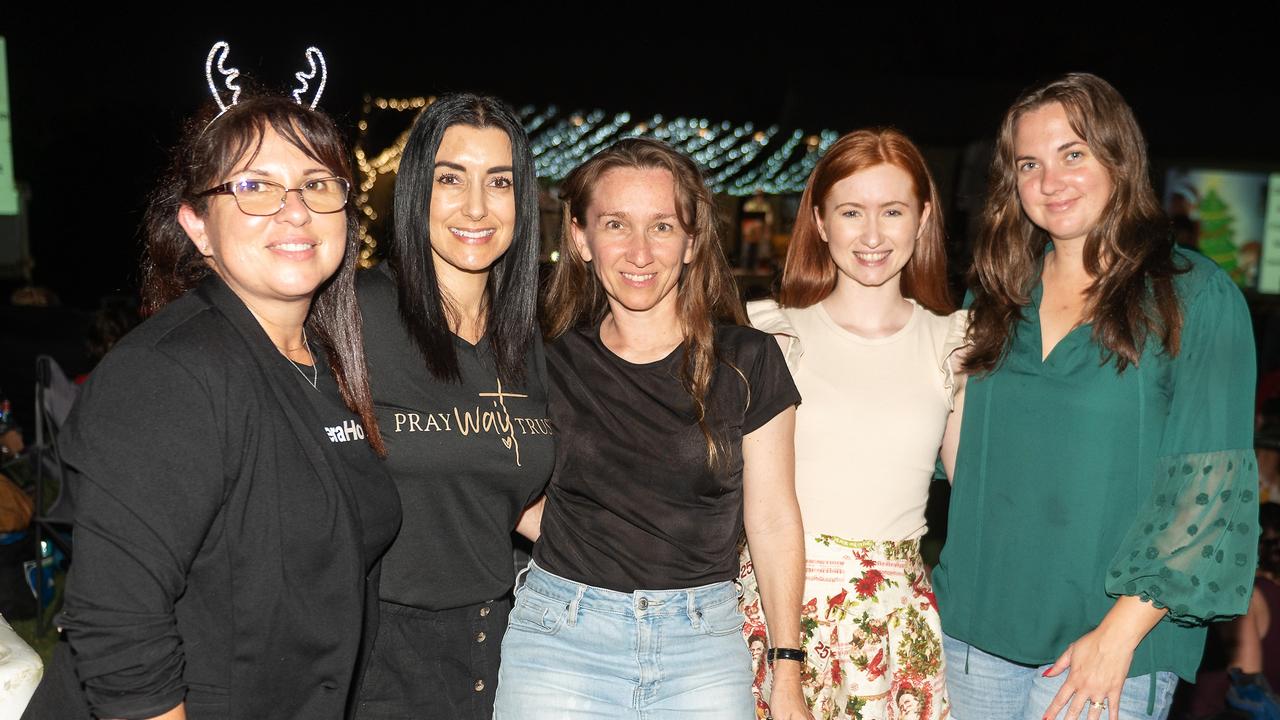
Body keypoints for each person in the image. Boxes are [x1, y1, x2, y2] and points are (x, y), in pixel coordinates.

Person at [22, 73, 401, 719]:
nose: (295, 210)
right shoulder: (170, 373)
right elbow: (119, 630)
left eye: (316, 184)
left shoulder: (324, 362)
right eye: (254, 186)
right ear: (197, 226)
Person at [933, 73, 1258, 720]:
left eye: (1073, 153)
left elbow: (1210, 491)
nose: (1051, 181)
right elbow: (959, 462)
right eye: (1030, 163)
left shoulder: (1190, 294)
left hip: (1109, 646)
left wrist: (1119, 636)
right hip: (975, 632)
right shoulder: (996, 296)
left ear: (1119, 156)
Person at [492, 138, 811, 719]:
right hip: (558, 642)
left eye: (662, 227)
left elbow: (771, 518)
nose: (639, 252)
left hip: (703, 648)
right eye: (616, 224)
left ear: (692, 243)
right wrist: (581, 536)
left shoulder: (749, 360)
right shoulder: (543, 361)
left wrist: (786, 669)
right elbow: (491, 481)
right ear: (580, 238)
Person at [743, 128, 964, 720]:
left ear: (922, 219)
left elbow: (981, 490)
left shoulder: (954, 342)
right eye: (850, 211)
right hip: (770, 610)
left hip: (892, 623)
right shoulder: (765, 333)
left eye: (892, 211)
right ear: (819, 221)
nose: (871, 235)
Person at [352, 94, 553, 720]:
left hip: (502, 645)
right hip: (379, 651)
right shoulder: (354, 316)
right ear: (417, 191)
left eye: (499, 182)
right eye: (450, 179)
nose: (475, 207)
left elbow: (516, 498)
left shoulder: (525, 338)